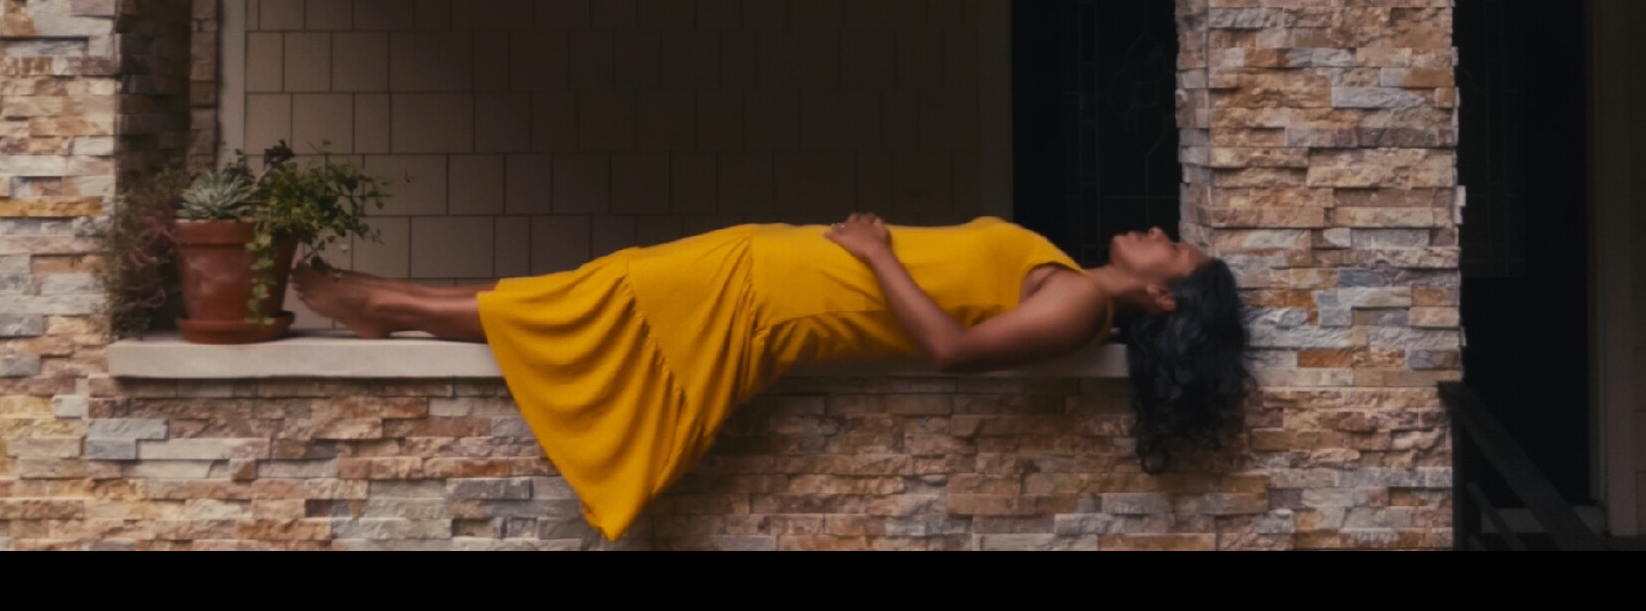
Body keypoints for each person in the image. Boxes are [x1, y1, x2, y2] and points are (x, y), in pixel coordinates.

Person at [290, 213, 1247, 540]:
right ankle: (389, 295)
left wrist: (875, 254)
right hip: (766, 267)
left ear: (1163, 303)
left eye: (1178, 252)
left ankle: (391, 305)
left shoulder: (1080, 308)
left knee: (599, 296)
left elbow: (950, 353)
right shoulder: (1067, 276)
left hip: (772, 304)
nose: (1161, 234)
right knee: (593, 289)